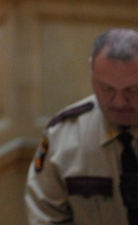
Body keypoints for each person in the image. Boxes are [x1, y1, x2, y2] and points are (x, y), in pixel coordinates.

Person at [25, 28, 138, 224]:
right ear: (92, 70)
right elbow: (45, 215)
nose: (119, 102)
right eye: (107, 88)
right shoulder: (62, 135)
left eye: (133, 90)